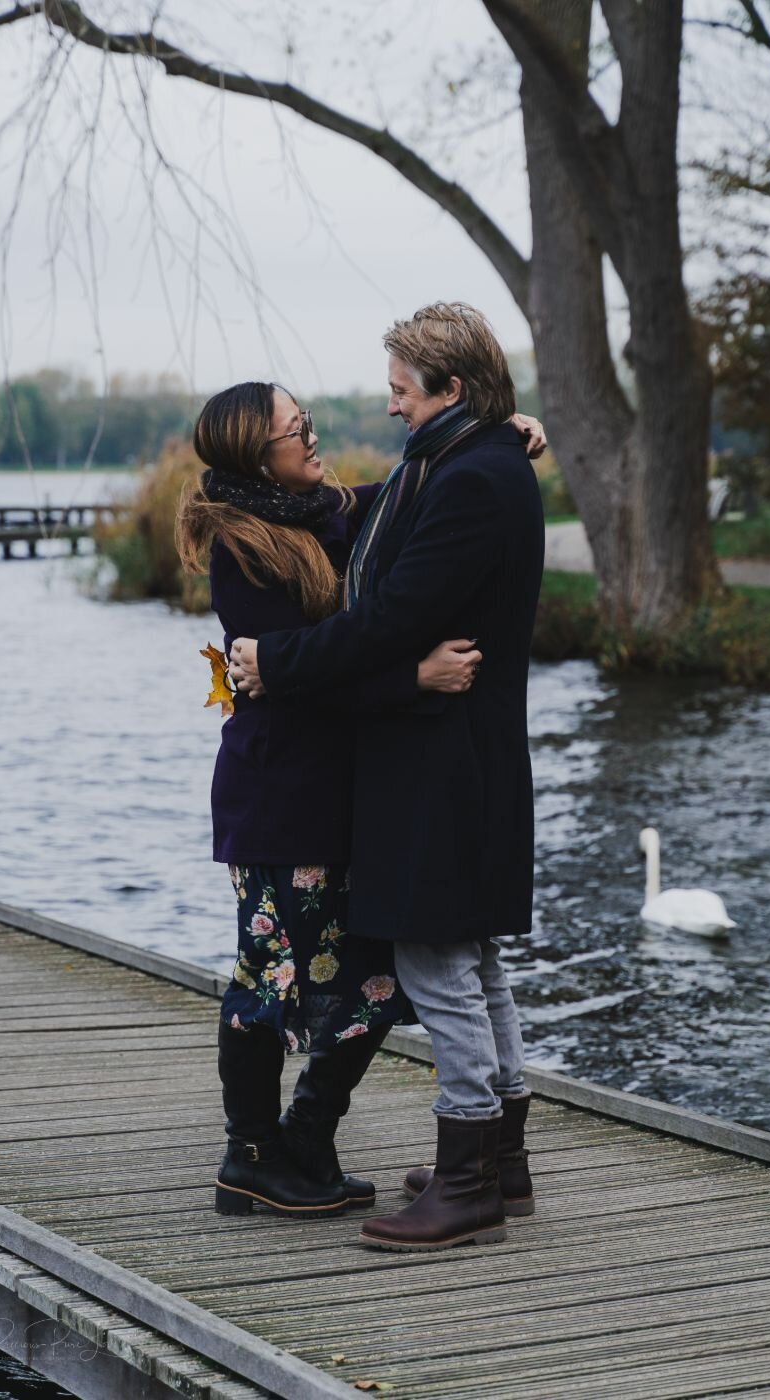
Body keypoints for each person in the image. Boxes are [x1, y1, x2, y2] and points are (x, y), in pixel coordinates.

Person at [176, 379, 544, 1221]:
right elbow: (290, 675)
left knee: (376, 980)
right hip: (279, 795)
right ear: (252, 455)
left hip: (346, 795)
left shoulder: (328, 508)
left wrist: (493, 436)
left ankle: (303, 1138)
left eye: (305, 420)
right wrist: (411, 678)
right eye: (293, 429)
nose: (311, 436)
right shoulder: (242, 546)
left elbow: (414, 488)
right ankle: (253, 1155)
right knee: (269, 977)